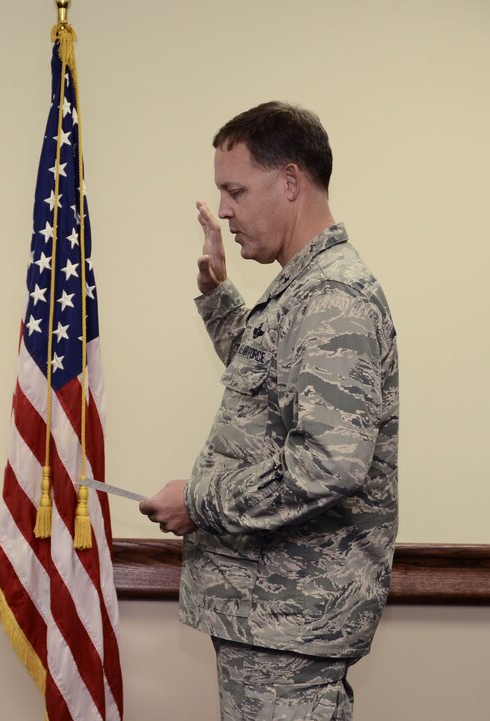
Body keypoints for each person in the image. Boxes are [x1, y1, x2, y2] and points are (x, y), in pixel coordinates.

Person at [139, 102, 398, 721]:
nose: (224, 210)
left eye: (235, 191)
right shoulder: (304, 288)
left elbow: (331, 463)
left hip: (290, 621)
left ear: (289, 181)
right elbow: (268, 386)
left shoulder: (332, 296)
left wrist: (199, 501)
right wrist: (217, 295)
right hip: (273, 617)